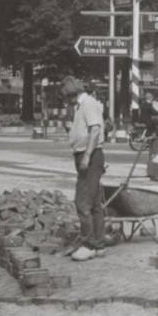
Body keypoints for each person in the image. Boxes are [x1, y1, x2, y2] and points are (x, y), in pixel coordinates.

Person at [63, 77, 105, 258]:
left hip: (89, 155)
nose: (66, 101)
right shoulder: (83, 106)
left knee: (82, 201)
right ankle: (98, 243)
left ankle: (88, 245)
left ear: (72, 94)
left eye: (67, 97)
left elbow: (95, 130)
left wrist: (87, 156)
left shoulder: (88, 104)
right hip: (89, 154)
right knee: (95, 202)